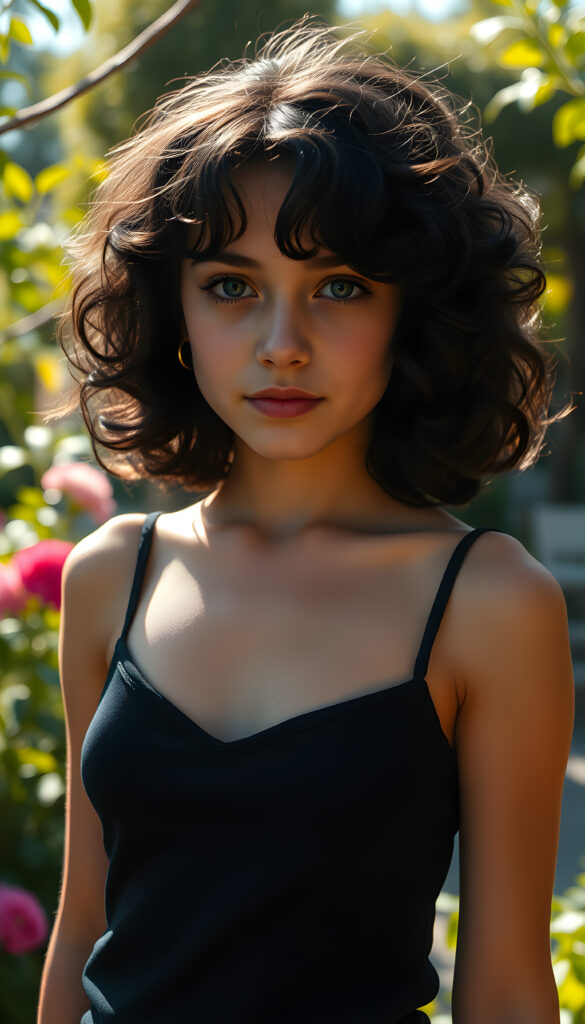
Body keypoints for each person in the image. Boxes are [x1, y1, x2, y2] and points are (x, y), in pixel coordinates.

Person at [37, 16, 575, 1024]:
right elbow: (82, 928)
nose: (282, 343)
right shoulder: (111, 574)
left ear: (412, 313)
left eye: (339, 286)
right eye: (232, 286)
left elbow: (504, 988)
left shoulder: (488, 604)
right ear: (174, 311)